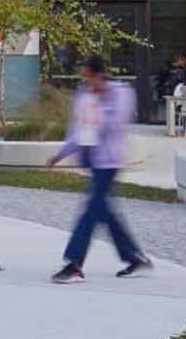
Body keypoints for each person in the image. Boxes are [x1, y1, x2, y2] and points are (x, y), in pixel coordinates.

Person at [49, 54, 151, 283]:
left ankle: (74, 264)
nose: (86, 82)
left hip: (110, 161)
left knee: (91, 211)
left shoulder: (120, 93)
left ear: (99, 74)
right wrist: (61, 154)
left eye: (88, 76)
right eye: (83, 77)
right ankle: (134, 257)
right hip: (92, 160)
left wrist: (98, 106)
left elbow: (115, 123)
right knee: (104, 211)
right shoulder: (84, 96)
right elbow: (78, 130)